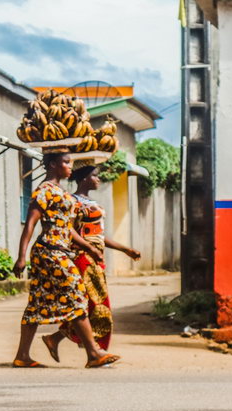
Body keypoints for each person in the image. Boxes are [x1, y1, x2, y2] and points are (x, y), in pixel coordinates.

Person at [12, 151, 121, 369]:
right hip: (50, 252)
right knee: (77, 295)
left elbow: (67, 229)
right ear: (53, 164)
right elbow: (31, 224)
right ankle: (93, 353)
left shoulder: (61, 192)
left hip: (59, 251)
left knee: (36, 304)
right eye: (66, 162)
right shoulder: (44, 191)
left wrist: (89, 247)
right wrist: (21, 256)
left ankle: (22, 355)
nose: (70, 167)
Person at [40, 164, 141, 361]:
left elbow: (98, 236)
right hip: (82, 259)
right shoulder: (73, 203)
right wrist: (88, 249)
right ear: (85, 178)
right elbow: (69, 231)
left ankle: (57, 339)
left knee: (89, 305)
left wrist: (125, 249)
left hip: (94, 258)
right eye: (95, 176)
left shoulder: (92, 203)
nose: (98, 179)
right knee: (97, 305)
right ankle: (95, 351)